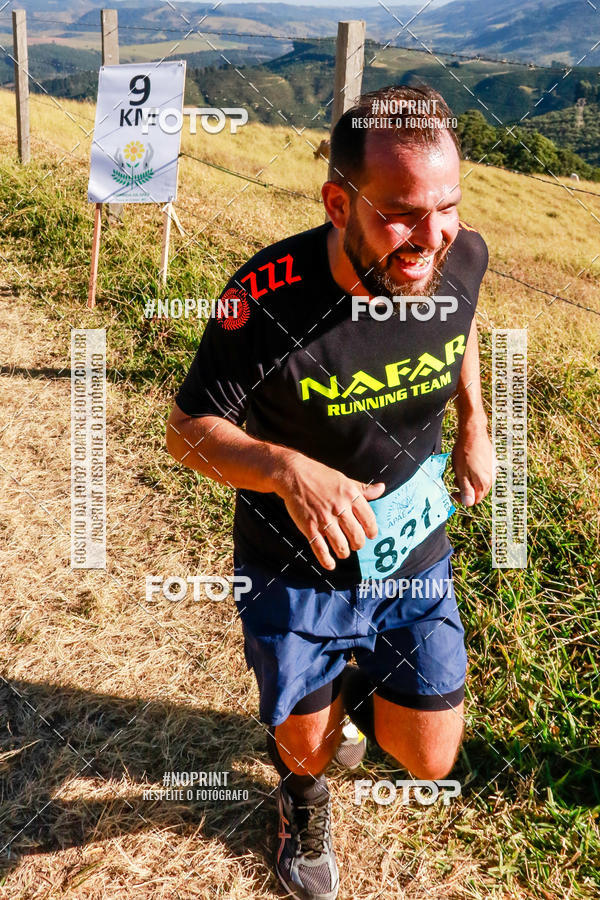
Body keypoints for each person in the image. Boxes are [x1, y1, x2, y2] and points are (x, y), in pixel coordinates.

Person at [166, 84, 494, 900]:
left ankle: (339, 689)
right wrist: (285, 469)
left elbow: (459, 327)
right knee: (309, 748)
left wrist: (475, 420)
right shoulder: (263, 300)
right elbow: (185, 433)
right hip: (294, 565)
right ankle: (301, 797)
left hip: (412, 550)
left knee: (430, 758)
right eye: (403, 214)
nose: (433, 237)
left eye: (447, 207)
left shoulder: (458, 256)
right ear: (338, 200)